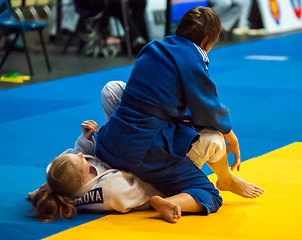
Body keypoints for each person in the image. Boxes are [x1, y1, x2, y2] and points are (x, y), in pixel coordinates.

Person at [95, 7, 264, 223]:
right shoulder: (192, 58)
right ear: (207, 40)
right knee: (209, 191)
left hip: (108, 143)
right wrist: (232, 137)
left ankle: (221, 178)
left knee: (114, 89)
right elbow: (209, 108)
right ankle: (174, 200)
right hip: (144, 152)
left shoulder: (153, 47)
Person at [29, 120, 162, 221]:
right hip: (154, 182)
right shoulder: (109, 191)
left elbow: (78, 156)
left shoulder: (60, 178)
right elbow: (145, 189)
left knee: (110, 90)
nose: (81, 155)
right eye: (81, 161)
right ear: (82, 181)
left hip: (125, 162)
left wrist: (86, 139)